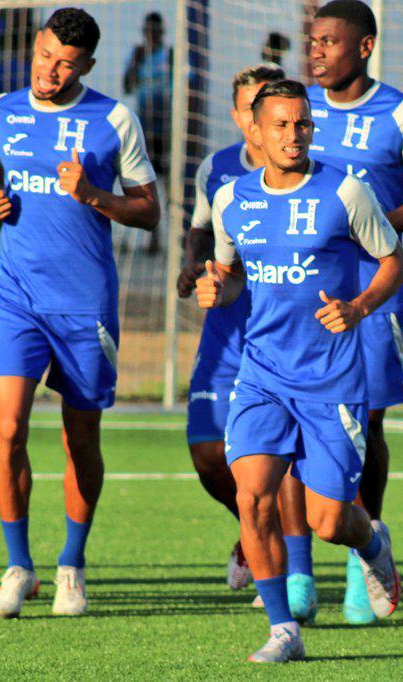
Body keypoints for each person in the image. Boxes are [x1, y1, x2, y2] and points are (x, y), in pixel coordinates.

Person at [197, 79, 403, 663]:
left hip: (332, 380)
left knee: (328, 521)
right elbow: (232, 274)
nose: (294, 135)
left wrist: (359, 307)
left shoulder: (345, 193)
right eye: (282, 125)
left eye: (303, 124)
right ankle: (283, 628)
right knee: (253, 498)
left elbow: (396, 261)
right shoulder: (231, 199)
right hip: (261, 374)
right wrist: (220, 287)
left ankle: (371, 540)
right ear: (256, 131)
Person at [0, 7, 159, 618]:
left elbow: (148, 210)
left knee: (80, 437)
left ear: (89, 66)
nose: (52, 71)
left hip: (85, 305)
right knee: (8, 428)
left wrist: (93, 195)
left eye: (67, 64)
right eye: (46, 56)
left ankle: (71, 567)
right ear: (37, 45)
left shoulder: (113, 120)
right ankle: (17, 565)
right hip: (18, 294)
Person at [297, 0, 403, 624]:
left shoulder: (401, 111)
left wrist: (370, 227)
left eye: (329, 41)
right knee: (293, 422)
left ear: (363, 47)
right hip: (302, 293)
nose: (317, 52)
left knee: (370, 423)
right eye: (314, 41)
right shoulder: (297, 111)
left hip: (374, 289)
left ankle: (366, 562)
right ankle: (298, 570)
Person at [177, 63, 284, 594]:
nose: (256, 115)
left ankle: (294, 582)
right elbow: (199, 230)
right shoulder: (216, 170)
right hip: (225, 327)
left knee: (280, 464)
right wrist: (189, 266)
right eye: (247, 106)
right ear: (239, 114)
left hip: (282, 331)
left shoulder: (311, 177)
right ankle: (249, 531)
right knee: (206, 453)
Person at [123, 12, 171, 177]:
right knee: (144, 172)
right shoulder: (137, 55)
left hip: (167, 126)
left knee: (168, 173)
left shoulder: (169, 55)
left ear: (162, 32)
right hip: (144, 126)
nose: (152, 35)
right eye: (148, 31)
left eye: (155, 31)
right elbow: (127, 87)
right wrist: (135, 62)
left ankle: (173, 203)